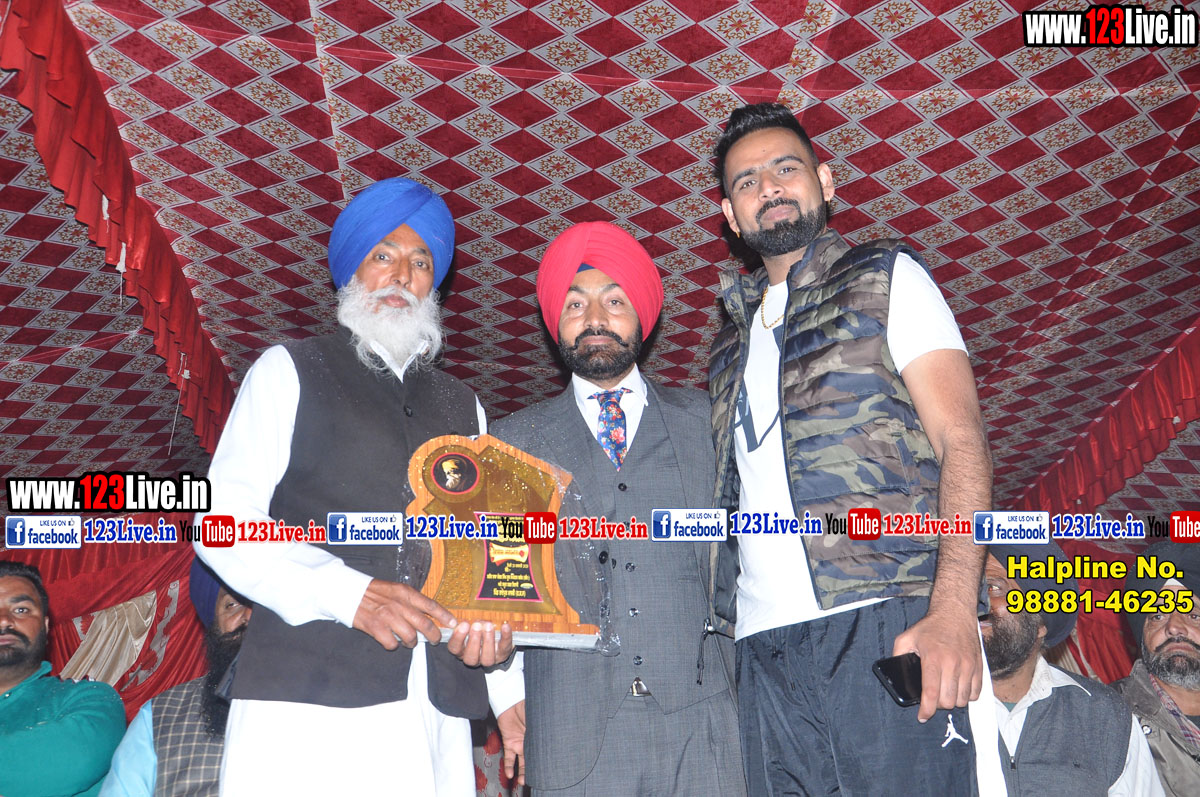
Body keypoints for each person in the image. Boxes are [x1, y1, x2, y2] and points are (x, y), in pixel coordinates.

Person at [195, 176, 521, 795]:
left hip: (435, 712)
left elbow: (490, 559)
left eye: (420, 262)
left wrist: (507, 691)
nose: (401, 275)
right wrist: (348, 594)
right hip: (307, 703)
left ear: (434, 284)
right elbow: (221, 522)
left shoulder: (466, 407)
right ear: (351, 271)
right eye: (383, 255)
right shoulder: (288, 369)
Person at [708, 101, 994, 794]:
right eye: (747, 181)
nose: (769, 187)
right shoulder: (725, 348)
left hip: (887, 617)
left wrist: (954, 609)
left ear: (826, 182)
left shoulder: (886, 277)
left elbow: (963, 441)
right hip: (761, 651)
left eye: (786, 168)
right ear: (730, 215)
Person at [491, 221, 745, 795]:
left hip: (704, 724)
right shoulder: (511, 444)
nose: (594, 319)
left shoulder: (707, 421)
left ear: (641, 317)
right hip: (571, 728)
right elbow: (498, 590)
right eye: (575, 303)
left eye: (613, 301)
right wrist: (505, 697)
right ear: (555, 320)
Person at [983, 543, 1162, 795]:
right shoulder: (928, 705)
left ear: (1040, 623)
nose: (977, 603)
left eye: (994, 587)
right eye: (970, 589)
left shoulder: (1104, 716)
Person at [101, 560, 252, 796]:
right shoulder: (159, 716)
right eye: (232, 604)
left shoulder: (317, 701)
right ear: (213, 623)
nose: (249, 616)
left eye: (265, 605)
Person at [0, 560, 126, 797]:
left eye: (21, 610)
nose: (4, 620)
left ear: (45, 626)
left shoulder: (91, 699)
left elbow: (72, 760)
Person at [1115, 541, 1200, 796]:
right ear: (1142, 636)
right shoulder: (1106, 717)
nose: (1174, 627)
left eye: (1193, 615)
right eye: (1158, 616)